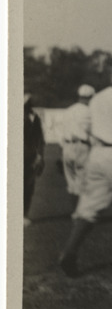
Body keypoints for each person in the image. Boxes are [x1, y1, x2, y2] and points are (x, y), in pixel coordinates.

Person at [59, 58, 112, 277]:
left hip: (96, 154)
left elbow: (90, 126)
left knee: (88, 209)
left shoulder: (97, 97)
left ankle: (69, 251)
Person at [60, 84, 95, 205]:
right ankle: (80, 209)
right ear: (90, 97)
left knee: (71, 180)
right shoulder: (89, 111)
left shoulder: (69, 110)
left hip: (67, 146)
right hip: (82, 146)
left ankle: (74, 208)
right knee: (82, 178)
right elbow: (92, 131)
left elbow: (61, 130)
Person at [23, 94, 45, 226]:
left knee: (29, 186)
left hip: (30, 156)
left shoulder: (34, 117)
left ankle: (24, 213)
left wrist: (40, 155)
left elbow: (40, 138)